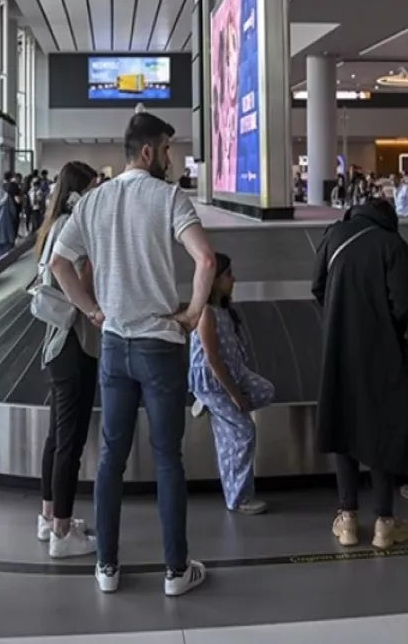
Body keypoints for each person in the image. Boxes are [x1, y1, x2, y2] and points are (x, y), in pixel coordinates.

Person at [49, 111, 216, 597]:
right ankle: (175, 571)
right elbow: (206, 259)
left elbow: (59, 263)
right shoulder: (168, 198)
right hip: (160, 346)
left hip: (115, 347)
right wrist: (192, 314)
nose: (171, 158)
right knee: (168, 459)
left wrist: (93, 311)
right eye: (167, 149)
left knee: (110, 461)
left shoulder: (94, 201)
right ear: (148, 151)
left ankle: (107, 568)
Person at [313, 196, 408, 550]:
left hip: (338, 347)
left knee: (344, 425)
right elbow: (403, 303)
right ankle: (385, 525)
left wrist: (338, 315)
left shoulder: (334, 235)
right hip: (382, 351)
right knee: (380, 428)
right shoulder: (393, 244)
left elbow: (317, 287)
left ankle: (347, 520)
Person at [34, 160, 101, 559]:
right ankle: (62, 531)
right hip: (75, 343)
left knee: (57, 436)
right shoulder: (74, 229)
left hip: (56, 345)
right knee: (69, 443)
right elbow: (75, 280)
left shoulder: (54, 226)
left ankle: (49, 517)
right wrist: (94, 308)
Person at [189, 253, 275, 516]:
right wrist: (235, 395)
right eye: (227, 275)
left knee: (265, 391)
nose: (233, 279)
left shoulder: (224, 312)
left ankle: (216, 410)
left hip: (232, 374)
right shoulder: (206, 314)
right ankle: (238, 498)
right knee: (244, 430)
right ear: (214, 281)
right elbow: (213, 359)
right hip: (214, 382)